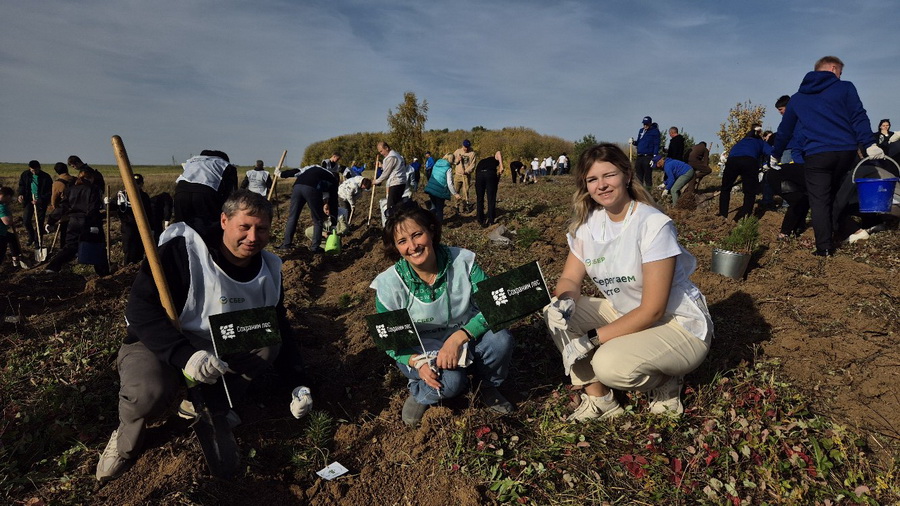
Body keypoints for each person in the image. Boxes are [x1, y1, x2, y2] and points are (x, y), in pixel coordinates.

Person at [94, 190, 312, 483]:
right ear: (224, 221)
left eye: (261, 229)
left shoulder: (269, 269)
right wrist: (186, 355)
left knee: (266, 337)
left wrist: (298, 382)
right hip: (162, 338)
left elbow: (279, 325)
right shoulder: (184, 252)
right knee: (148, 391)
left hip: (219, 340)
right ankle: (125, 441)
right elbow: (140, 310)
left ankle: (213, 404)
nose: (252, 237)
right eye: (244, 227)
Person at [543, 143, 712, 421]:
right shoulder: (588, 225)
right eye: (592, 179)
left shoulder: (651, 224)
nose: (601, 185)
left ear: (627, 175)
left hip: (677, 324)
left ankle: (667, 379)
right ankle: (601, 399)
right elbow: (570, 277)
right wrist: (566, 301)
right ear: (585, 186)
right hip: (628, 314)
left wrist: (591, 339)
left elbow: (653, 310)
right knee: (555, 315)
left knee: (609, 364)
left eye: (609, 175)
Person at [370, 203, 514, 427]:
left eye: (417, 235)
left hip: (464, 336)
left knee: (500, 339)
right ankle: (420, 391)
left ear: (431, 231)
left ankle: (487, 385)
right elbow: (392, 342)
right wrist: (417, 363)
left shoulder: (461, 262)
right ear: (395, 247)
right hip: (419, 349)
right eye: (402, 241)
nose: (413, 246)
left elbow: (495, 305)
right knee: (452, 382)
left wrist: (459, 337)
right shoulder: (389, 285)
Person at [772, 56, 883, 256]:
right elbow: (858, 115)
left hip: (818, 155)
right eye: (840, 72)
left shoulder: (798, 98)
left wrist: (775, 154)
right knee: (837, 194)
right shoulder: (845, 87)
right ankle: (850, 229)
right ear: (833, 68)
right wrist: (870, 143)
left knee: (819, 200)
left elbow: (785, 130)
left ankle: (824, 247)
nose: (840, 76)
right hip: (846, 152)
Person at [44, 169, 109, 276]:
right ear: (91, 178)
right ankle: (103, 272)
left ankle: (53, 266)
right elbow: (93, 208)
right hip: (88, 222)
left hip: (73, 222)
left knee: (71, 246)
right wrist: (94, 224)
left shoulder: (71, 189)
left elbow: (63, 206)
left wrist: (51, 220)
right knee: (98, 247)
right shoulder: (93, 189)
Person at [276, 164, 338, 253]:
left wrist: (281, 174)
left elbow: (296, 171)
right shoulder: (333, 180)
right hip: (311, 188)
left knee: (293, 217)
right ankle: (315, 248)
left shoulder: (313, 168)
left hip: (297, 187)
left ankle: (286, 245)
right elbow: (334, 201)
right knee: (318, 220)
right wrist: (334, 223)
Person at [173, 150, 238, 233]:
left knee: (181, 226)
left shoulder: (192, 160)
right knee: (209, 227)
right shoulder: (225, 164)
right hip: (206, 192)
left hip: (181, 192)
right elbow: (231, 192)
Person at [718, 126, 773, 221]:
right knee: (749, 192)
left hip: (732, 161)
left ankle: (723, 215)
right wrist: (770, 164)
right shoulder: (760, 142)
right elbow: (771, 152)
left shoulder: (741, 142)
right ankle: (744, 218)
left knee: (725, 188)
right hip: (749, 161)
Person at [117, 174, 153, 265]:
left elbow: (149, 213)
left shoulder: (144, 196)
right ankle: (127, 267)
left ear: (141, 184)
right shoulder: (123, 195)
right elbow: (115, 207)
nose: (135, 185)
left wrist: (151, 227)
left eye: (137, 183)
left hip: (141, 227)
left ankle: (137, 267)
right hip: (127, 226)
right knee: (128, 249)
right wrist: (108, 204)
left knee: (139, 249)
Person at [16, 160, 53, 247]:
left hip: (41, 202)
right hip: (29, 200)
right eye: (32, 170)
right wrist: (21, 194)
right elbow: (21, 186)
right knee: (26, 220)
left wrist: (40, 200)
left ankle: (38, 242)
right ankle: (31, 236)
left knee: (39, 223)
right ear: (29, 169)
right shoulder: (25, 175)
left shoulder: (46, 177)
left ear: (39, 168)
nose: (34, 172)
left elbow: (49, 192)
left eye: (36, 170)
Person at [424, 154, 461, 223]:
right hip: (440, 190)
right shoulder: (448, 169)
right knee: (439, 209)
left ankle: (427, 221)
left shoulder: (436, 164)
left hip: (431, 188)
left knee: (433, 207)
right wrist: (455, 194)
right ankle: (439, 225)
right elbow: (449, 183)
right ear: (451, 159)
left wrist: (457, 162)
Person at [374, 141, 408, 213]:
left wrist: (376, 181)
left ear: (386, 148)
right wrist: (381, 166)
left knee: (391, 208)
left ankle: (394, 219)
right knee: (397, 205)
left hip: (396, 183)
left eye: (381, 151)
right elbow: (392, 168)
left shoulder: (391, 157)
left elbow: (386, 173)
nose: (381, 153)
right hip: (400, 182)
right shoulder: (396, 155)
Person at [48, 162, 76, 247]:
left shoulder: (57, 183)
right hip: (77, 210)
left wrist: (56, 210)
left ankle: (64, 248)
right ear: (67, 169)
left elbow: (54, 199)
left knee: (64, 232)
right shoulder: (76, 180)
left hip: (65, 211)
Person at [0, 186, 27, 269]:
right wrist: (11, 217)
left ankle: (16, 258)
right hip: (0, 235)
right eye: (10, 198)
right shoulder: (2, 207)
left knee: (12, 237)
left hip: (3, 232)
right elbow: (7, 222)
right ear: (8, 196)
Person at [474, 151, 504, 227]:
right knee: (491, 198)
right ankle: (491, 220)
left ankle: (480, 219)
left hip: (479, 175)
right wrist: (501, 166)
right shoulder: (494, 159)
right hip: (489, 174)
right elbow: (498, 152)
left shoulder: (482, 161)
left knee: (480, 199)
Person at [632, 116, 660, 191]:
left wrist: (654, 157)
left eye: (647, 124)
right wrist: (633, 142)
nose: (645, 125)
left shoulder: (655, 131)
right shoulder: (641, 131)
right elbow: (639, 142)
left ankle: (649, 192)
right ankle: (639, 193)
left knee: (647, 176)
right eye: (644, 124)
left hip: (648, 156)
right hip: (639, 156)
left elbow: (656, 144)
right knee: (638, 176)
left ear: (650, 123)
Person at [452, 140, 477, 213]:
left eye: (467, 147)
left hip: (466, 176)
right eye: (465, 147)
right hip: (457, 175)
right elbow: (452, 161)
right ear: (462, 145)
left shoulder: (472, 153)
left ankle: (465, 206)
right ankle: (456, 206)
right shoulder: (457, 151)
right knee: (456, 191)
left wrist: (466, 171)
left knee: (465, 191)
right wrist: (457, 160)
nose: (466, 148)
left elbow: (473, 165)